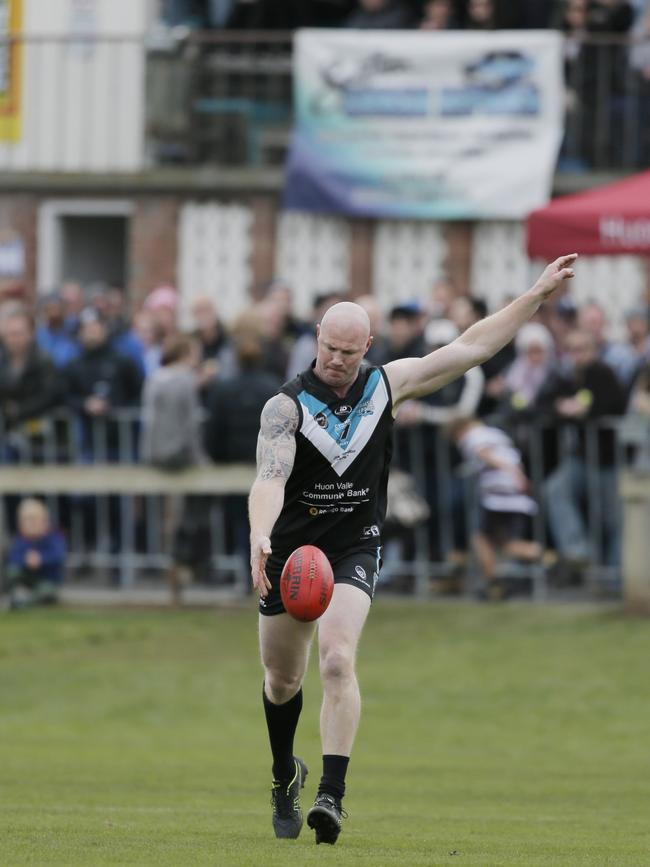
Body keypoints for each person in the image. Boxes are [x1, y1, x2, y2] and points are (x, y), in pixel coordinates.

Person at [248, 253, 578, 846]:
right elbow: (270, 477)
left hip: (352, 547)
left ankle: (331, 796)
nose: (337, 360)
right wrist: (259, 533)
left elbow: (473, 347)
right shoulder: (286, 406)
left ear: (367, 344)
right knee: (281, 679)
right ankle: (282, 776)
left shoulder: (388, 384)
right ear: (316, 339)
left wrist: (535, 295)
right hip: (293, 553)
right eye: (329, 348)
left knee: (338, 660)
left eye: (350, 351)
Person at [450, 416, 541, 601]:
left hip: (499, 496)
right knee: (496, 541)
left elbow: (484, 453)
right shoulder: (496, 433)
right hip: (513, 494)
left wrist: (513, 473)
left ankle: (547, 558)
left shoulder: (473, 436)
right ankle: (495, 582)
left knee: (490, 541)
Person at [5, 498, 67, 609]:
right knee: (11, 572)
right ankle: (16, 595)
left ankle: (25, 601)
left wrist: (41, 559)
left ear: (45, 522)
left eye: (35, 520)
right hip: (27, 578)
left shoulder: (53, 537)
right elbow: (13, 558)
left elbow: (59, 555)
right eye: (27, 521)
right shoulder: (20, 540)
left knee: (47, 591)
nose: (31, 525)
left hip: (47, 579)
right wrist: (26, 560)